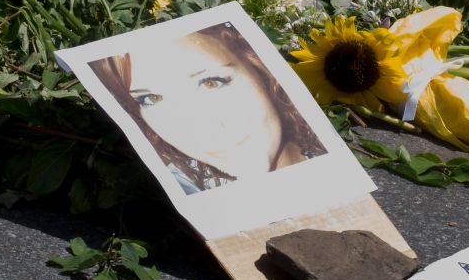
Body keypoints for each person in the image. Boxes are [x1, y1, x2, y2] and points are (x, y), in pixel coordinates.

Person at [90, 22, 326, 194]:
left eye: (211, 82)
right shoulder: (182, 184)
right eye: (151, 99)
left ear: (260, 69)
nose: (200, 128)